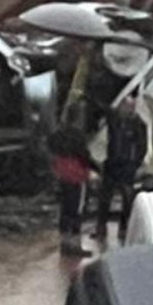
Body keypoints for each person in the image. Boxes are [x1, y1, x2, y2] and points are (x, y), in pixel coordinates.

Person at [96, 96, 149, 243]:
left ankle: (124, 227)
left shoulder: (138, 124)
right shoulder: (114, 119)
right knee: (105, 196)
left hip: (127, 165)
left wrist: (136, 163)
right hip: (112, 163)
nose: (125, 110)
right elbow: (104, 109)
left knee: (127, 198)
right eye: (124, 106)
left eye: (129, 107)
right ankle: (101, 226)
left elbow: (142, 146)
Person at [49, 104, 99, 258]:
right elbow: (84, 155)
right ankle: (75, 244)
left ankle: (65, 242)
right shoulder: (78, 135)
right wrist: (95, 169)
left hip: (63, 174)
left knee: (65, 208)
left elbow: (50, 149)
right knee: (78, 209)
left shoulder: (57, 134)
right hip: (77, 174)